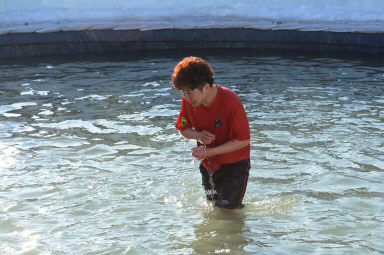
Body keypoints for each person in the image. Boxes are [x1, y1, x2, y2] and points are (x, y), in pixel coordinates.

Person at [172, 56, 251, 209]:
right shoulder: (188, 101)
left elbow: (243, 140)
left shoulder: (231, 101)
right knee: (212, 207)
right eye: (183, 93)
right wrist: (198, 136)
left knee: (226, 211)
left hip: (234, 166)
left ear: (206, 87)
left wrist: (209, 151)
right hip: (208, 165)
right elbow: (183, 130)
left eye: (190, 92)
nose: (186, 98)